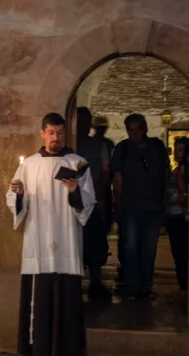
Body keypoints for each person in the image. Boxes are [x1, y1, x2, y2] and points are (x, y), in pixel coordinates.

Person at [7, 112, 96, 356]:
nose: (55, 138)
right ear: (42, 133)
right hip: (38, 236)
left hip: (66, 238)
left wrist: (75, 191)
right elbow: (14, 200)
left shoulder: (77, 163)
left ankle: (68, 354)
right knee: (40, 293)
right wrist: (19, 193)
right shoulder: (29, 165)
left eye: (59, 133)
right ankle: (39, 351)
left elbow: (89, 202)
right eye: (51, 133)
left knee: (67, 294)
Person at [111, 114, 169, 300]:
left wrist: (165, 200)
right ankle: (133, 285)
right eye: (130, 130)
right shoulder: (123, 149)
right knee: (131, 247)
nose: (134, 134)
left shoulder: (157, 147)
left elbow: (165, 173)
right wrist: (118, 204)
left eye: (138, 129)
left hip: (153, 206)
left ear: (145, 128)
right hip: (131, 206)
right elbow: (117, 178)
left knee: (149, 248)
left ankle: (146, 286)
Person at [76, 107, 110, 300]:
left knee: (95, 244)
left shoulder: (98, 146)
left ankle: (96, 282)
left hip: (94, 202)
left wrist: (98, 196)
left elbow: (105, 174)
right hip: (74, 203)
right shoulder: (69, 146)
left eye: (87, 121)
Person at [166, 138, 189, 299]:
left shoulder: (187, 171)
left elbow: (184, 197)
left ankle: (186, 285)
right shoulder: (176, 170)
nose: (177, 153)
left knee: (184, 252)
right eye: (176, 149)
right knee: (177, 252)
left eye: (181, 149)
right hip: (173, 216)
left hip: (183, 217)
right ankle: (182, 284)